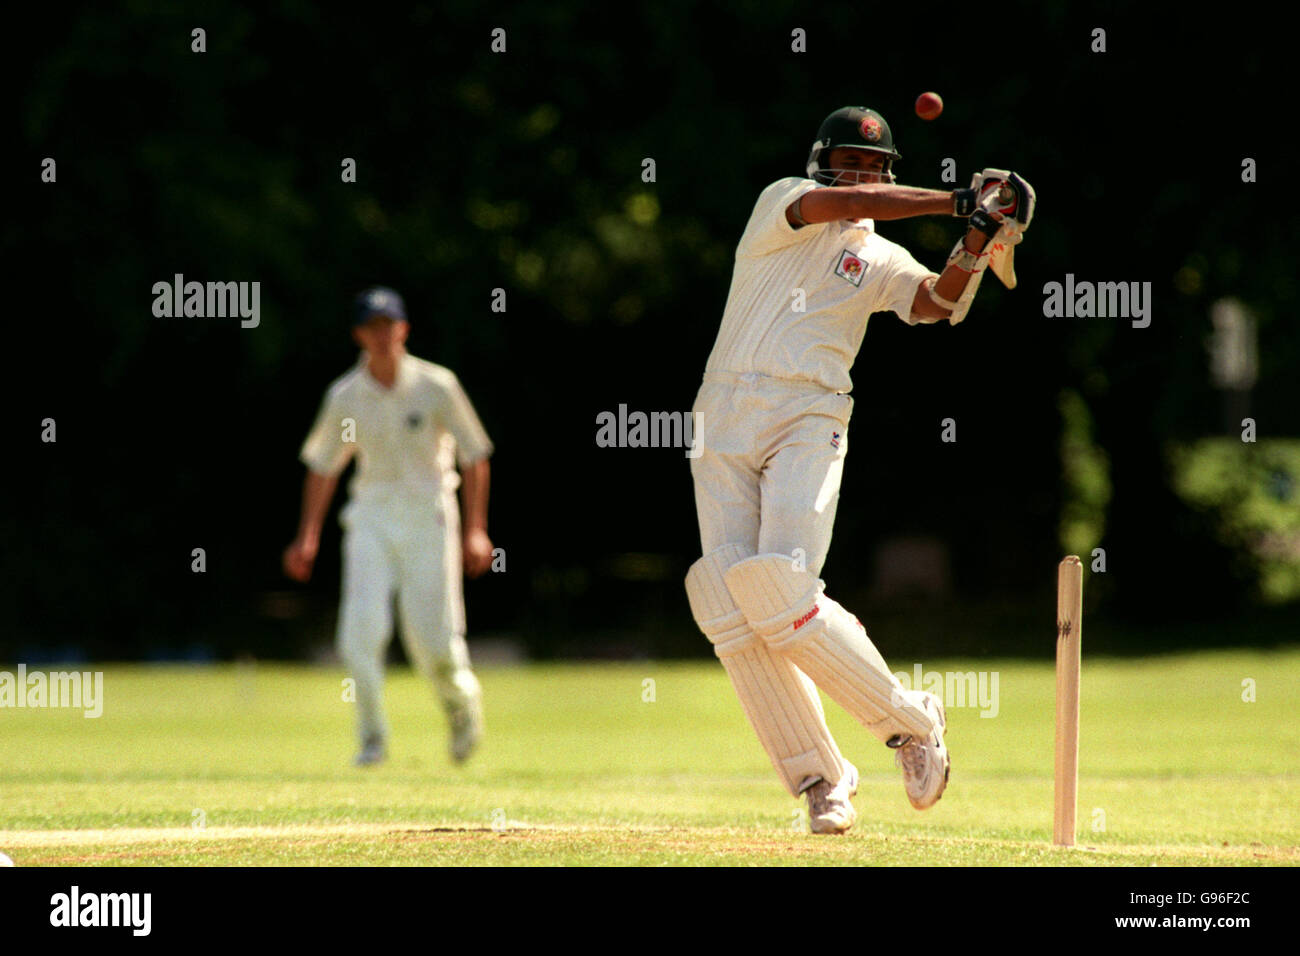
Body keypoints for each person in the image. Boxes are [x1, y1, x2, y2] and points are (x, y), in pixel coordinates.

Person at [683, 106, 1034, 833]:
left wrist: (975, 236)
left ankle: (910, 725)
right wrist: (956, 200)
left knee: (776, 588)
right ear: (821, 161)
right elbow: (850, 204)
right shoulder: (783, 203)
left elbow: (937, 302)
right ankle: (821, 780)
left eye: (874, 166)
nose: (861, 176)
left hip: (809, 416)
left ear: (888, 171)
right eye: (849, 161)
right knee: (724, 598)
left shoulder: (879, 259)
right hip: (723, 413)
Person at [283, 287, 496, 767]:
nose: (381, 335)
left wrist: (476, 530)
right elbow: (324, 466)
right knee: (360, 633)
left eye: (389, 325)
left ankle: (461, 707)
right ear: (359, 334)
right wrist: (308, 536)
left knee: (432, 640)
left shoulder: (436, 386)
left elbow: (475, 454)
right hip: (372, 515)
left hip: (429, 511)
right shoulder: (345, 397)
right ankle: (372, 739)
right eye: (371, 327)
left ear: (403, 329)